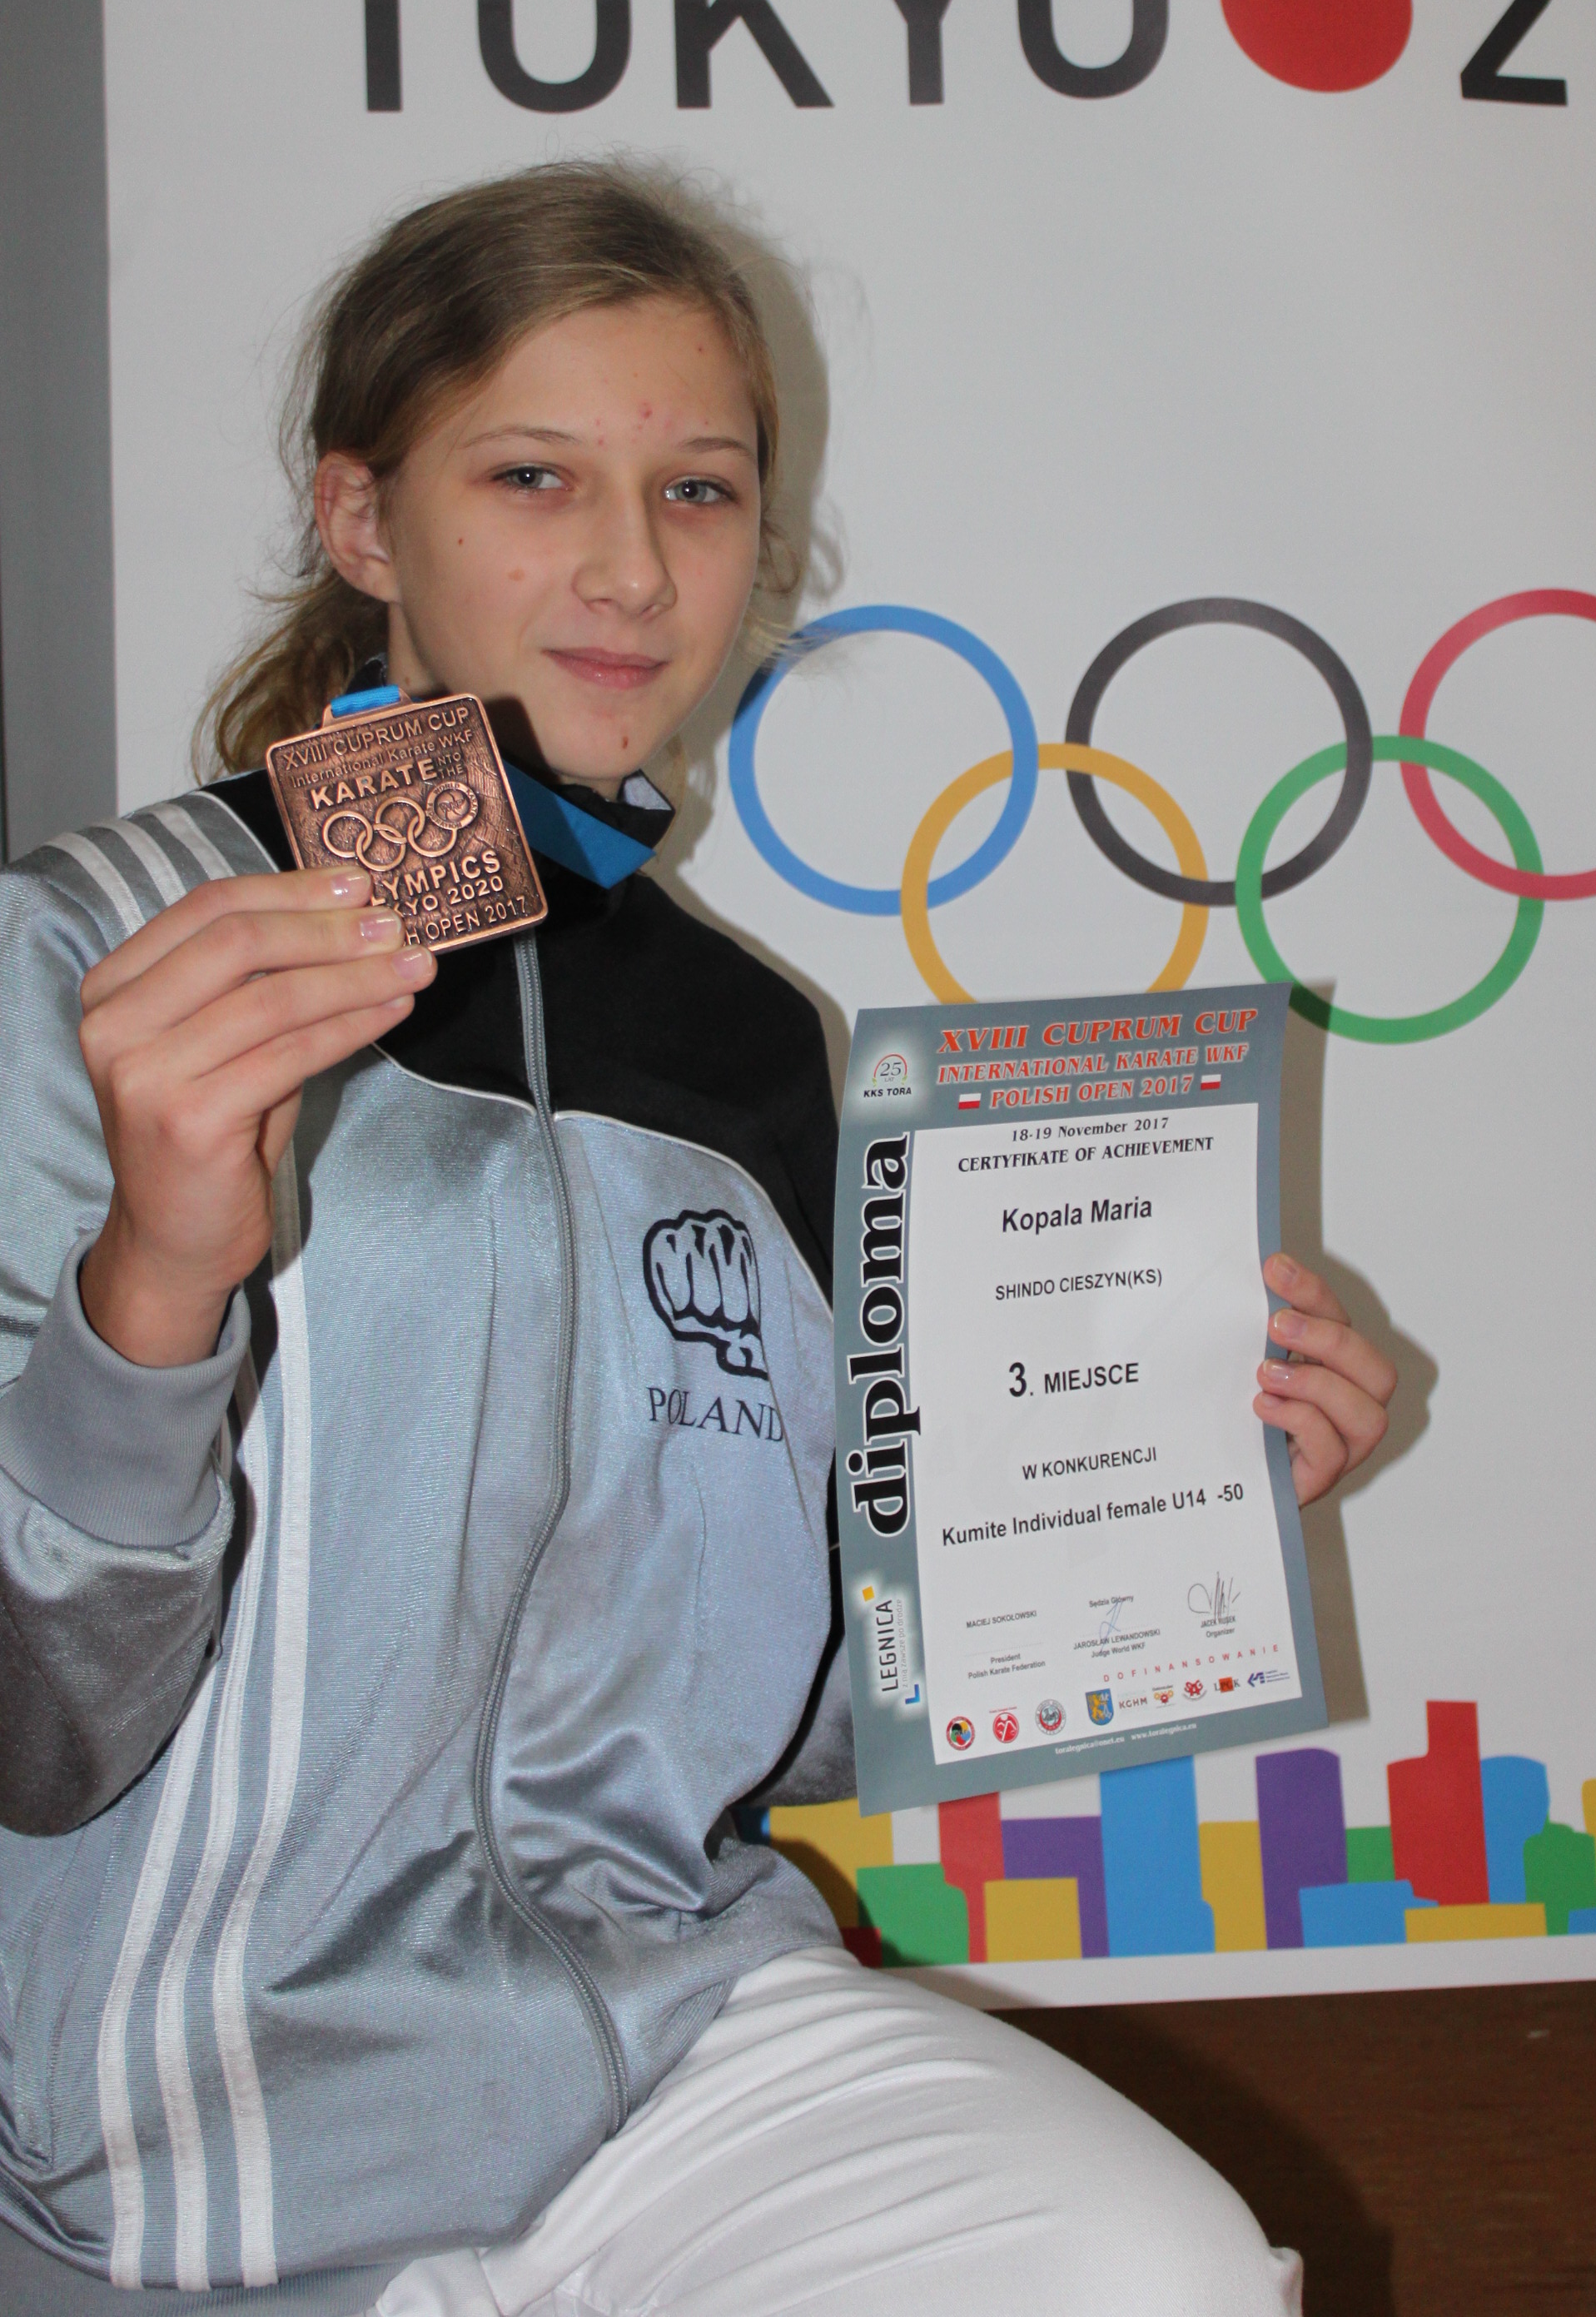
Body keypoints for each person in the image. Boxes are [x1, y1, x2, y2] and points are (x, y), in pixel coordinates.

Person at [0, 162, 1397, 2317]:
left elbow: (790, 1719)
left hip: (659, 2045)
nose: (636, 572)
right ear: (362, 520)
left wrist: (1150, 1484)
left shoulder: (748, 1041)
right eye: (535, 476)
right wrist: (157, 1293)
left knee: (1158, 2272)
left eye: (701, 491)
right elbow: (39, 1736)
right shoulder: (92, 956)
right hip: (179, 2141)